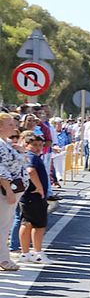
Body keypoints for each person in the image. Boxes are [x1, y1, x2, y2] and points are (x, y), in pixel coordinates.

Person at [17, 134, 51, 263]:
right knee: (39, 225)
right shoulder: (31, 157)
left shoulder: (26, 156)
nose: (38, 148)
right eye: (35, 145)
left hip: (26, 196)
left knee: (26, 223)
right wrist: (40, 188)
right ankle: (38, 253)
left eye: (41, 145)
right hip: (34, 195)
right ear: (27, 145)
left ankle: (25, 253)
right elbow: (31, 171)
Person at [0, 113, 26, 272]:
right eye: (10, 124)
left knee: (6, 225)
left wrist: (20, 150)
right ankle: (3, 258)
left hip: (15, 189)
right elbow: (1, 168)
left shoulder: (7, 143)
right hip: (6, 190)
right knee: (3, 227)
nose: (14, 127)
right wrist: (8, 190)